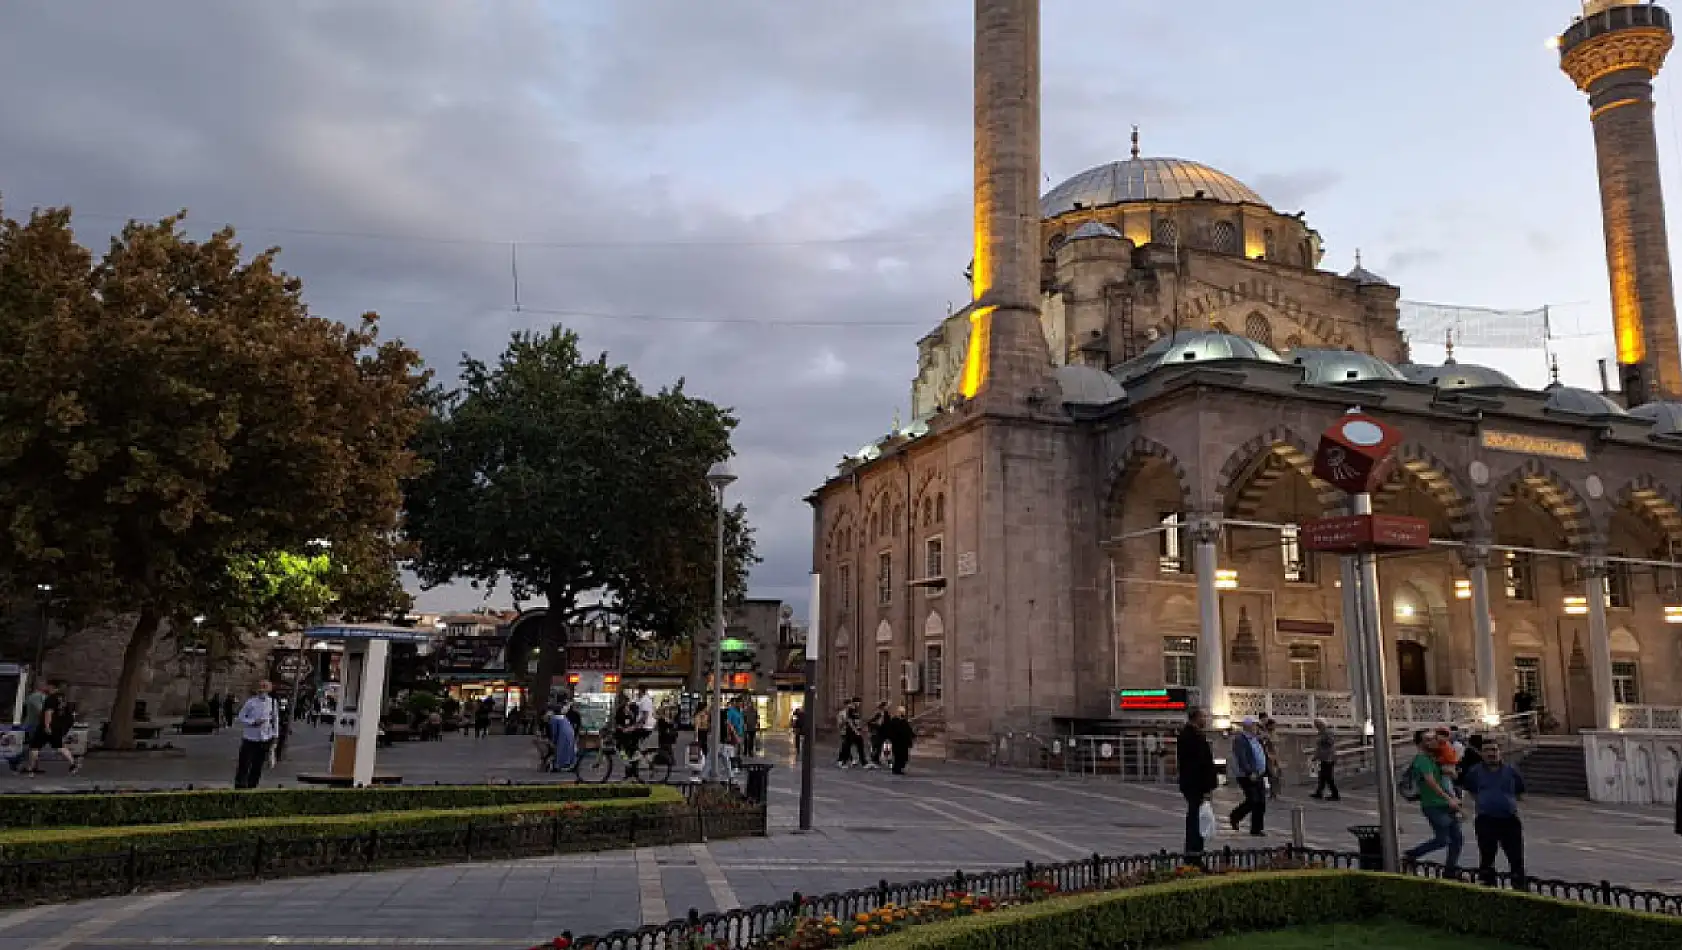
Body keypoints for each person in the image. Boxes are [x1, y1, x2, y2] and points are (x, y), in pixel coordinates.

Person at [1461, 740, 1526, 889]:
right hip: (1486, 820)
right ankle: (1488, 886)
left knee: (1516, 857)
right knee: (1487, 856)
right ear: (1482, 753)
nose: (1491, 753)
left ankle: (1519, 888)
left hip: (1509, 820)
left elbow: (1519, 790)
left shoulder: (1511, 770)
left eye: (1494, 750)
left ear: (1499, 751)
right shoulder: (1475, 771)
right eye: (1487, 750)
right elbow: (1471, 789)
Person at [1403, 730, 1463, 871]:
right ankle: (1411, 855)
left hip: (1444, 804)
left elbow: (1448, 776)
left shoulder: (1435, 758)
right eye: (1428, 740)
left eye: (1433, 738)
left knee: (1457, 839)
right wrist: (1450, 799)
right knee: (1443, 839)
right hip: (1433, 805)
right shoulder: (1422, 760)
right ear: (1420, 744)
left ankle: (1450, 869)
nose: (1433, 742)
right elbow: (1431, 783)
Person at [1176, 707, 1219, 855]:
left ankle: (1194, 849)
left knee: (1196, 816)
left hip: (1192, 783)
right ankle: (1193, 852)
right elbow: (1200, 764)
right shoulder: (1193, 736)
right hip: (1196, 785)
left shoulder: (1191, 734)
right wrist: (1206, 787)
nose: (1205, 720)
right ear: (1196, 718)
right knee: (1196, 818)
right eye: (1203, 717)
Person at [13, 681, 78, 776]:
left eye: (48, 686)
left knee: (34, 746)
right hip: (58, 726)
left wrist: (47, 726)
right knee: (60, 746)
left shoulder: (50, 698)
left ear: (52, 686)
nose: (46, 687)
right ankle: (72, 764)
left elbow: (48, 713)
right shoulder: (62, 699)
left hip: (46, 727)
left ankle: (31, 768)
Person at [234, 680, 279, 789]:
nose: (263, 691)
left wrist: (275, 735)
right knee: (244, 764)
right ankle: (240, 786)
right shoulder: (251, 702)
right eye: (261, 688)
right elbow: (240, 717)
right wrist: (253, 722)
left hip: (264, 738)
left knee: (257, 765)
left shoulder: (272, 702)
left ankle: (252, 786)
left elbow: (275, 719)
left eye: (265, 688)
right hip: (250, 738)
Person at [1227, 717, 1268, 836]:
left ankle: (1257, 828)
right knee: (1253, 799)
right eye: (1255, 726)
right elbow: (1242, 757)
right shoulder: (1241, 739)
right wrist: (1249, 772)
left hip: (1259, 773)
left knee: (1261, 801)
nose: (1257, 728)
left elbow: (1259, 753)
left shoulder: (1255, 739)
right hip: (1247, 775)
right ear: (1249, 726)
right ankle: (1235, 816)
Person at [6, 681, 50, 772]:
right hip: (33, 724)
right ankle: (19, 763)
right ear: (40, 686)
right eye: (46, 685)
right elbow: (40, 710)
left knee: (34, 746)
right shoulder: (35, 696)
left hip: (34, 724)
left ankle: (33, 766)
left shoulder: (40, 696)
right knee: (33, 746)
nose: (48, 687)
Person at [1310, 718, 1340, 801]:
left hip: (1329, 757)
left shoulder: (1328, 732)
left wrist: (1323, 741)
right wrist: (1316, 756)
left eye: (1317, 724)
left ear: (1322, 724)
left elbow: (1331, 743)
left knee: (1328, 776)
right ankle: (1319, 792)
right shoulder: (1320, 733)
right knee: (1322, 776)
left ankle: (1335, 794)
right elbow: (1319, 747)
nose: (1316, 726)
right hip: (1323, 757)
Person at [883, 706, 915, 775]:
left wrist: (912, 735)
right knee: (899, 757)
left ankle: (897, 769)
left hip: (903, 742)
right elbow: (891, 729)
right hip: (897, 742)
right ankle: (897, 769)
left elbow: (908, 730)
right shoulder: (895, 721)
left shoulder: (903, 721)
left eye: (903, 712)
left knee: (903, 757)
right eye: (901, 712)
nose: (903, 713)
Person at [836, 697, 866, 768]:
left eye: (850, 704)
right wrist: (845, 722)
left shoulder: (854, 711)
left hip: (852, 731)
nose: (850, 706)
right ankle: (842, 761)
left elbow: (856, 721)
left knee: (849, 746)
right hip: (844, 731)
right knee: (846, 746)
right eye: (848, 704)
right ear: (845, 705)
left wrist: (858, 728)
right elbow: (839, 724)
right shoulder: (842, 713)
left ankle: (848, 760)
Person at [865, 701, 889, 771]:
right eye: (886, 706)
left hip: (882, 733)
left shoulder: (886, 713)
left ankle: (876, 760)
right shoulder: (878, 713)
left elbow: (888, 723)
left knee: (879, 747)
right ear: (883, 706)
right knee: (875, 746)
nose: (887, 707)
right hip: (876, 732)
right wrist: (876, 725)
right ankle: (873, 760)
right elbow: (869, 722)